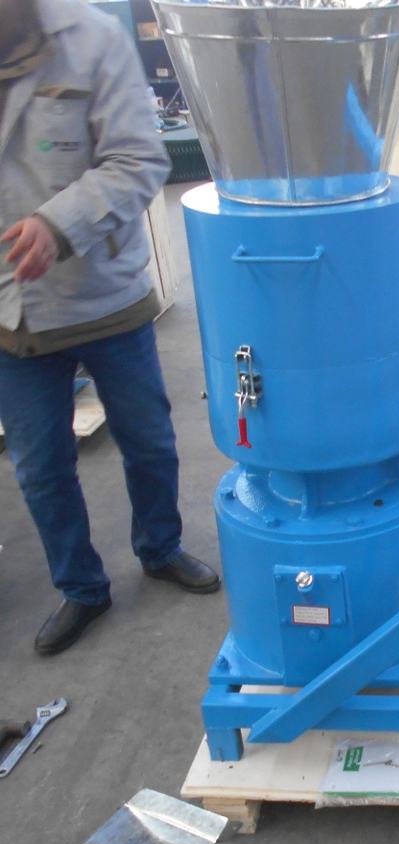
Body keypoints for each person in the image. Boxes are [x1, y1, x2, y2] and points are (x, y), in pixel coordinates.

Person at [0, 0, 220, 657]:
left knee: (148, 439)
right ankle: (82, 588)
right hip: (12, 311)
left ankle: (160, 547)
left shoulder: (92, 39)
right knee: (42, 467)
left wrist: (56, 224)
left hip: (102, 294)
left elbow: (139, 160)